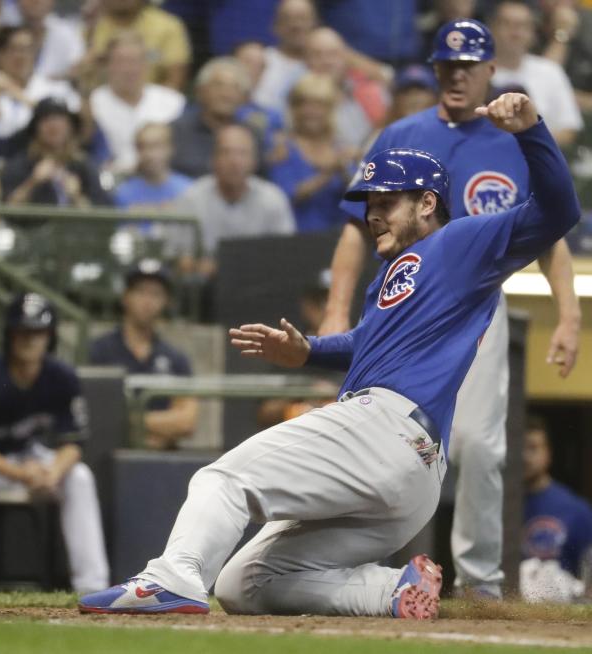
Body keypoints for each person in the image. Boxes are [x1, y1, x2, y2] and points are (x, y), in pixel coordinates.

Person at [79, 91, 581, 619]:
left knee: (223, 480)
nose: (373, 215)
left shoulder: (463, 241)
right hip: (410, 475)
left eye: (386, 201)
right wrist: (308, 351)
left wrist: (531, 130)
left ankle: (171, 578)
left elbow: (559, 211)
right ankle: (391, 592)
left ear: (427, 203)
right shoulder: (396, 271)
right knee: (242, 585)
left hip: (384, 427)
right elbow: (366, 345)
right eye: (369, 204)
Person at [318, 19, 581, 599]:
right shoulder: (400, 134)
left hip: (479, 300)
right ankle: (364, 576)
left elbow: (547, 232)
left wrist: (568, 315)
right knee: (378, 439)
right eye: (447, 66)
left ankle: (480, 587)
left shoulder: (509, 136)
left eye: (468, 65)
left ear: (490, 70)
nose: (457, 75)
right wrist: (337, 312)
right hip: (404, 304)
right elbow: (352, 231)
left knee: (482, 449)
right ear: (436, 70)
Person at [0, 292, 109, 593]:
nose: (29, 339)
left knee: (78, 477)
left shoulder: (62, 377)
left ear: (49, 336)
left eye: (37, 332)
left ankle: (93, 586)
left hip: (27, 456)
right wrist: (22, 475)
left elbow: (72, 444)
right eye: (22, 331)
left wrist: (51, 473)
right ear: (9, 333)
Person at [89, 260, 198, 449]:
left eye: (156, 294)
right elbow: (96, 416)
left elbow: (187, 421)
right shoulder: (99, 351)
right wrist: (161, 426)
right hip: (109, 456)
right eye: (140, 291)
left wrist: (130, 422)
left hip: (161, 459)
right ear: (126, 297)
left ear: (166, 302)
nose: (147, 301)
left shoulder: (176, 358)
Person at [172, 123, 294, 277]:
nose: (234, 161)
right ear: (213, 159)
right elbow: (181, 259)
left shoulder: (273, 199)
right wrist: (195, 266)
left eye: (242, 153)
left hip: (259, 284)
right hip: (206, 288)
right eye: (225, 152)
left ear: (254, 161)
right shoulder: (191, 198)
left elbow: (284, 256)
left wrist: (227, 266)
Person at [89, 31, 185, 176]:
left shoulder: (173, 102)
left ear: (146, 64)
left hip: (161, 180)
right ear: (108, 65)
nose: (129, 69)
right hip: (110, 179)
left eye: (135, 61)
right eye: (121, 62)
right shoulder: (93, 103)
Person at [490, 0, 583, 147]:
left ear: (533, 32)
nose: (515, 32)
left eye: (523, 26)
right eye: (507, 24)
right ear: (492, 28)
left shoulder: (550, 70)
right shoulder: (478, 72)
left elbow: (568, 130)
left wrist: (532, 142)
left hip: (538, 158)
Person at [521, 415, 592, 602]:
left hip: (560, 610)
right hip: (508, 608)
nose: (525, 456)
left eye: (533, 448)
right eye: (519, 448)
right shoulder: (492, 509)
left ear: (548, 453)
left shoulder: (576, 510)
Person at [267, 73, 350, 233]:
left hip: (339, 239)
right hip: (296, 241)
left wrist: (347, 170)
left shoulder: (342, 148)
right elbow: (285, 198)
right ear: (293, 109)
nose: (310, 111)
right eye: (303, 104)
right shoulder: (282, 148)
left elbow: (358, 198)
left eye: (319, 104)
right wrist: (327, 174)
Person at [1, 97, 110, 207]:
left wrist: (77, 196)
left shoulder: (84, 165)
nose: (53, 125)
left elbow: (102, 214)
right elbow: (7, 209)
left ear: (70, 127)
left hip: (74, 224)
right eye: (46, 120)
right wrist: (32, 183)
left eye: (59, 119)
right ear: (35, 129)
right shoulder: (22, 163)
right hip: (34, 224)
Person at [169, 57, 256, 179]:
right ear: (200, 91)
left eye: (235, 87)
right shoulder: (176, 131)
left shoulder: (251, 134)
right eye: (218, 85)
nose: (226, 94)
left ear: (244, 98)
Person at [87, 0, 191, 91]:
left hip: (154, 105)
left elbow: (175, 79)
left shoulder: (168, 26)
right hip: (99, 102)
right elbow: (81, 75)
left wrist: (152, 106)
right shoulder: (91, 25)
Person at [251, 0, 316, 113]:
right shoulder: (261, 61)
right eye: (288, 19)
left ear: (314, 24)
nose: (296, 25)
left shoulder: (323, 65)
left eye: (302, 18)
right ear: (275, 26)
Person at [114, 123, 191, 211]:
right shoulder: (124, 192)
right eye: (142, 147)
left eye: (157, 146)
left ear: (170, 148)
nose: (150, 154)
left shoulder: (188, 191)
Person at [18, 0, 86, 80]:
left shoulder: (67, 34)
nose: (36, 1)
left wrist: (52, 80)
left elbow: (79, 67)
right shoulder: (6, 29)